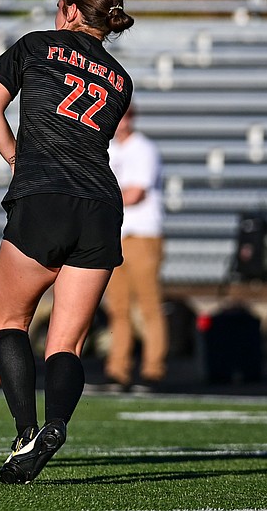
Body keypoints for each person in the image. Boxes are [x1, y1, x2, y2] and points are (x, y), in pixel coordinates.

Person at [0, 0, 134, 484]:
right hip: (101, 206)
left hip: (44, 195)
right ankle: (58, 423)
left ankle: (25, 433)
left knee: (11, 320)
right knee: (67, 343)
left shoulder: (36, 45)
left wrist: (15, 158)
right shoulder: (121, 80)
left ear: (68, 9)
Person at [101, 104, 167, 393]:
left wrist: (101, 200)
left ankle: (153, 369)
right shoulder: (109, 149)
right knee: (118, 309)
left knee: (149, 306)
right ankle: (118, 369)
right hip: (116, 235)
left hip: (142, 236)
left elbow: (136, 193)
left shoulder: (143, 149)